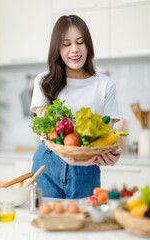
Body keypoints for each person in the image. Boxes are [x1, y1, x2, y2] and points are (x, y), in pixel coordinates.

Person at [30, 15, 121, 199]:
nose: (74, 49)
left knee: (84, 223)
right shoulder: (44, 81)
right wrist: (65, 153)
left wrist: (110, 152)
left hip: (86, 168)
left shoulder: (105, 85)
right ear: (57, 48)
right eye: (66, 44)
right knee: (44, 222)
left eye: (80, 42)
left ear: (88, 45)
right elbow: (46, 127)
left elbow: (106, 134)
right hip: (47, 164)